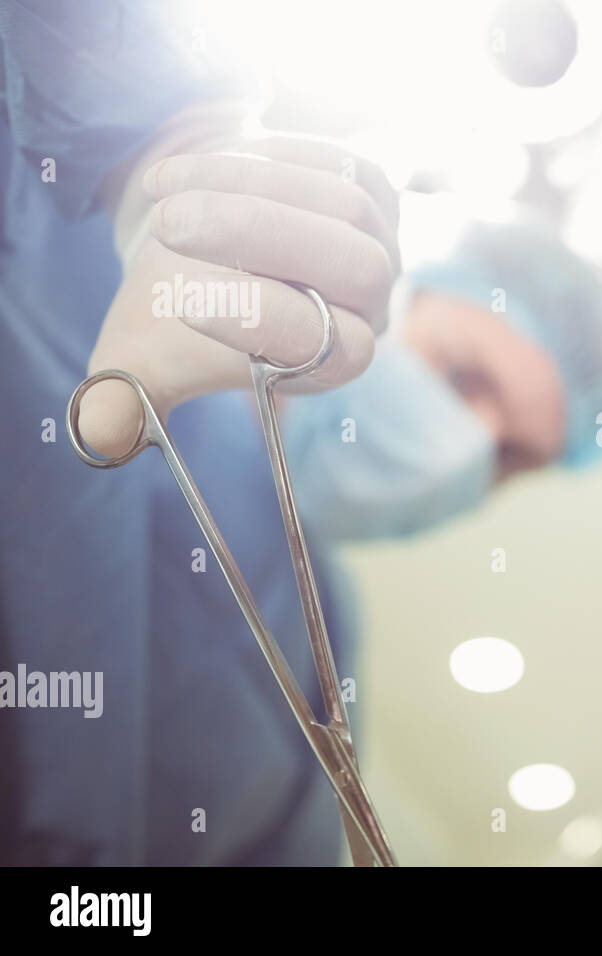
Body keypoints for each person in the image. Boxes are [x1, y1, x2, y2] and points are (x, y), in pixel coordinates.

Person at [0, 1, 399, 864]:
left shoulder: (320, 612)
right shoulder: (121, 290)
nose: (467, 444)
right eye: (476, 383)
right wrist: (166, 134)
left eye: (513, 457)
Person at [281, 215, 602, 541]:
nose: (455, 450)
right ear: (404, 297)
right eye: (461, 379)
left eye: (505, 456)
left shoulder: (297, 604)